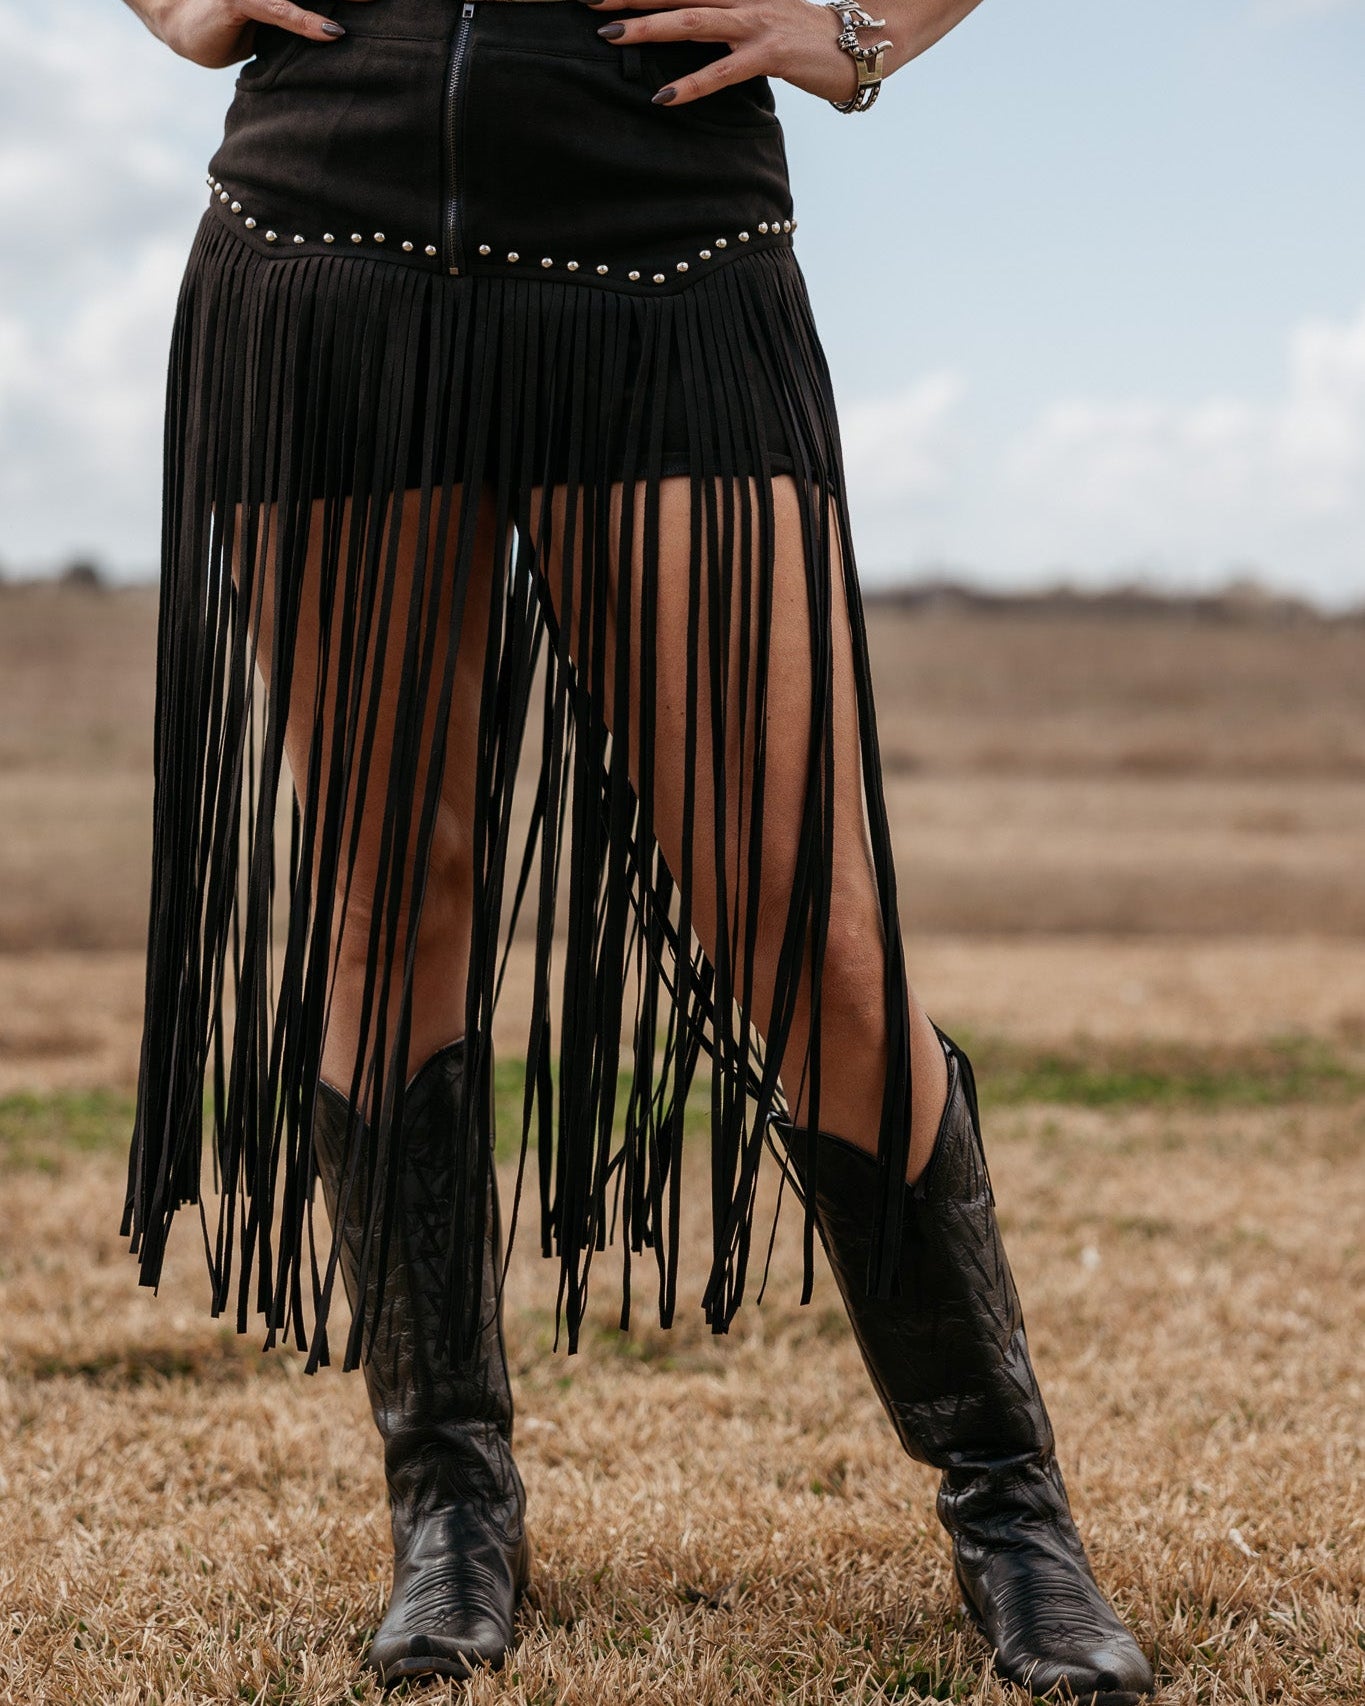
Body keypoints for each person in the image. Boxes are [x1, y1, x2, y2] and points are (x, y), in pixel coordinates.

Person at [117, 0, 1156, 1697]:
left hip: (660, 235)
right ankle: (450, 1506)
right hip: (327, 224)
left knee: (807, 931)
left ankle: (1010, 1512)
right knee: (389, 898)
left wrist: (862, 26)